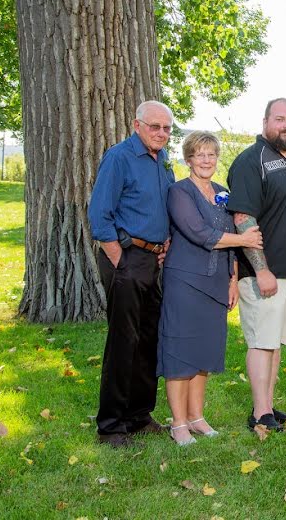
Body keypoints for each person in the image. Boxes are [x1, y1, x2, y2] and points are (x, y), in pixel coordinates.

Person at [158, 131, 264, 446]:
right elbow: (198, 232)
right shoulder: (179, 192)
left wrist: (232, 280)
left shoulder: (222, 193)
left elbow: (228, 241)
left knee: (203, 352)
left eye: (211, 154)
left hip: (217, 282)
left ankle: (197, 417)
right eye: (200, 154)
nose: (206, 160)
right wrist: (245, 240)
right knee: (180, 352)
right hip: (185, 281)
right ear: (188, 159)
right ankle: (178, 422)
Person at [88, 100, 175, 448]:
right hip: (126, 256)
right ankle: (110, 425)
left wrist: (164, 243)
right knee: (124, 342)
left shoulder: (163, 161)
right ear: (137, 125)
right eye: (155, 126)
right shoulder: (120, 157)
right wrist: (120, 261)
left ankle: (139, 415)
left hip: (153, 261)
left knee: (148, 340)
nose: (161, 133)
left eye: (167, 128)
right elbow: (100, 216)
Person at [226, 98, 286, 433]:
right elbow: (243, 216)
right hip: (265, 272)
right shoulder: (252, 160)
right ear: (265, 122)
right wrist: (261, 269)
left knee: (274, 342)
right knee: (261, 342)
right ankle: (259, 413)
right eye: (279, 119)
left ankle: (268, 406)